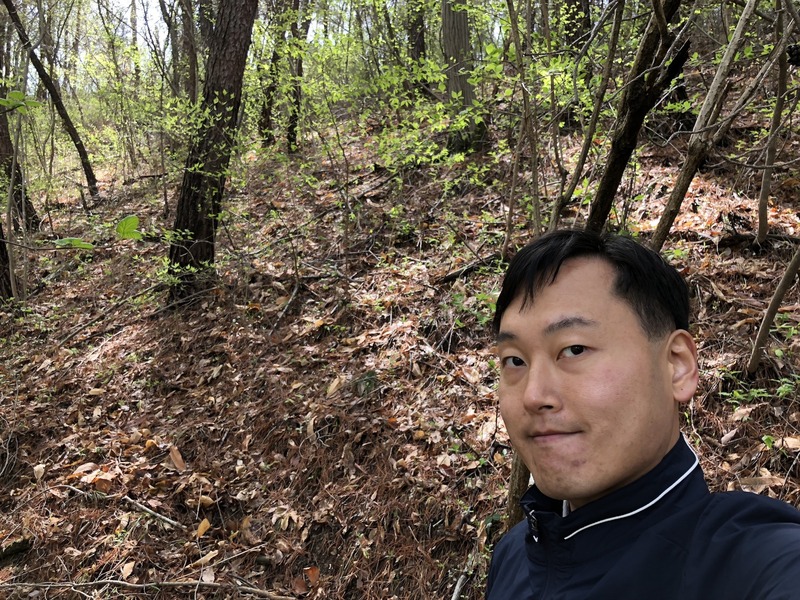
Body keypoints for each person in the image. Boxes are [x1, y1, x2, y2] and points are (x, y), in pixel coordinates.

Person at [486, 229, 800, 599]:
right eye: (515, 360)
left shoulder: (751, 562)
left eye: (573, 350)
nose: (534, 395)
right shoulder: (513, 558)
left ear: (677, 367)